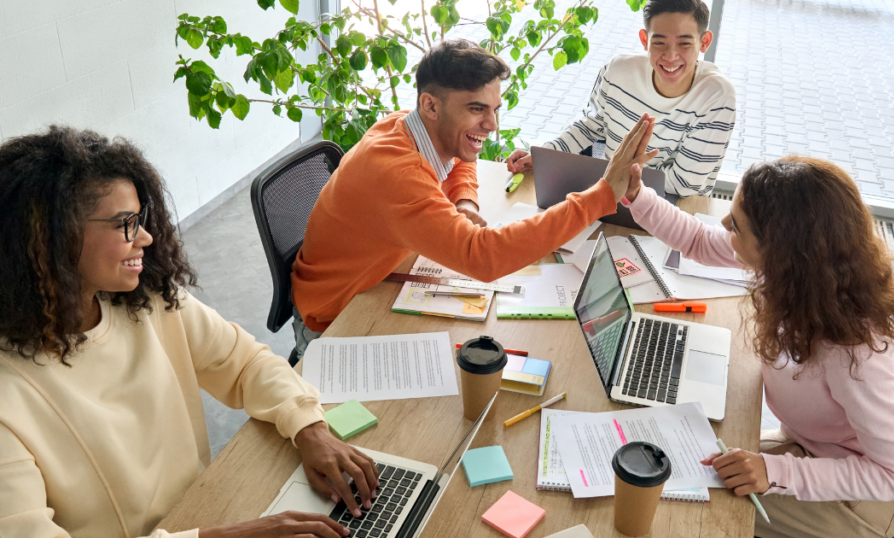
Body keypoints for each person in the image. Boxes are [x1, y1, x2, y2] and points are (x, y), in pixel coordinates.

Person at [0, 126, 382, 538]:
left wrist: (310, 427)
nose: (145, 236)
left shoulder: (149, 300)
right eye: (124, 224)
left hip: (202, 513)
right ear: (48, 239)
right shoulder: (10, 395)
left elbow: (246, 363)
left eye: (140, 218)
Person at [291, 39, 657, 353]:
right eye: (476, 109)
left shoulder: (408, 125)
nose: (492, 125)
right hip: (334, 319)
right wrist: (600, 195)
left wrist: (463, 201)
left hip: (379, 279)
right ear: (431, 106)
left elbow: (460, 157)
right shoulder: (396, 174)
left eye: (495, 109)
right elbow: (483, 257)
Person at [621, 156, 894, 538]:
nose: (724, 226)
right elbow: (697, 239)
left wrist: (774, 472)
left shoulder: (852, 352)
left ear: (779, 249)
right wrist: (637, 195)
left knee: (685, 506)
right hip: (810, 446)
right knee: (676, 464)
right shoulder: (794, 276)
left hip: (865, 498)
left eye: (736, 225)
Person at [505, 0, 736, 197]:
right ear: (645, 40)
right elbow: (591, 129)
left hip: (670, 208)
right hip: (609, 193)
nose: (671, 56)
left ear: (704, 42)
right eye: (659, 42)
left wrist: (611, 176)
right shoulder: (617, 70)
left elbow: (684, 185)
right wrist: (546, 154)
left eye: (684, 43)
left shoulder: (716, 96)